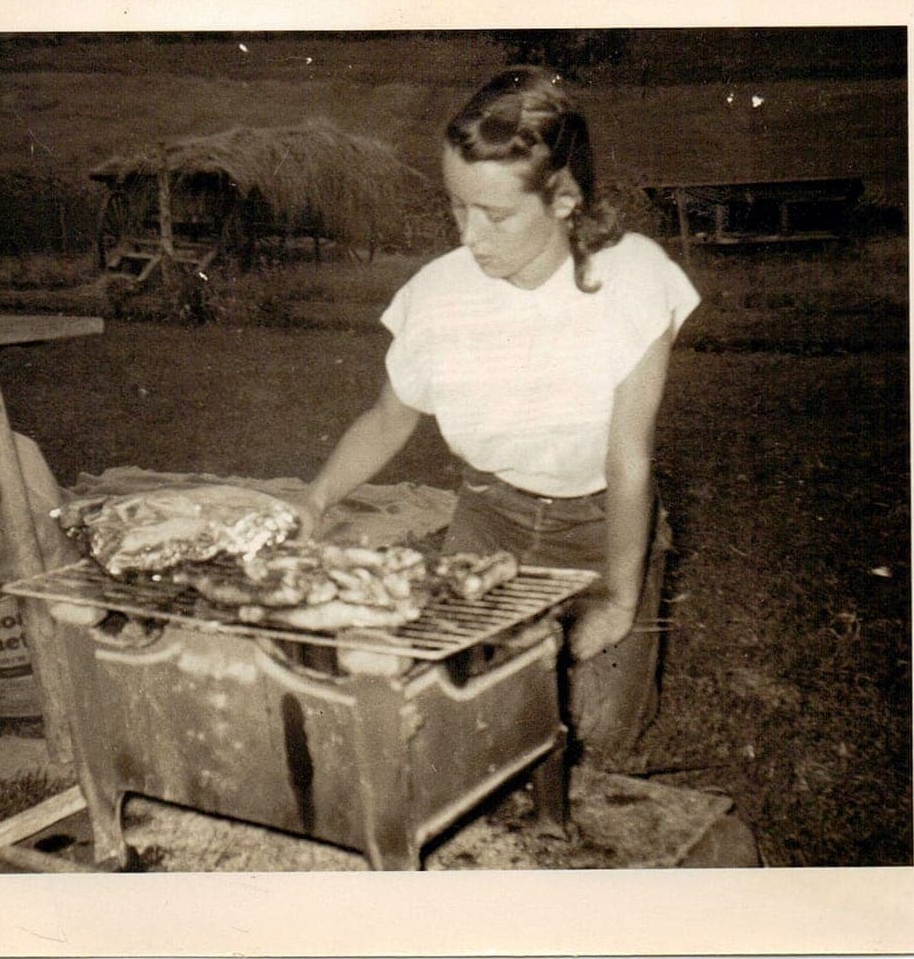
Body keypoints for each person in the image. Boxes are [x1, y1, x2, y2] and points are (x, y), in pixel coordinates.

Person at [293, 65, 700, 762]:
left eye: (496, 214)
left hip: (603, 525)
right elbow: (390, 418)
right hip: (490, 517)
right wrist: (316, 497)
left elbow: (628, 461)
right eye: (458, 207)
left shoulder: (631, 280)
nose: (470, 236)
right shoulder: (439, 293)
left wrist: (619, 599)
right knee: (448, 717)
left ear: (565, 199)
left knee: (596, 732)